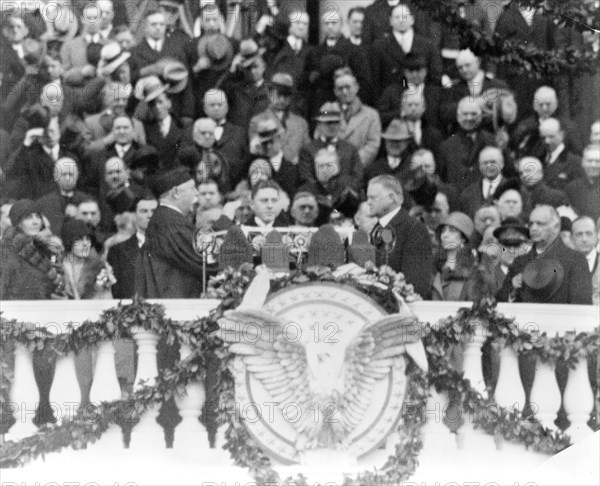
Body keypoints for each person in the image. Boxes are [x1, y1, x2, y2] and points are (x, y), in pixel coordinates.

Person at [497, 205, 592, 304]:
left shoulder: (575, 260)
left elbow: (582, 307)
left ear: (556, 227)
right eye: (531, 224)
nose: (533, 228)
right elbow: (500, 302)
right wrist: (512, 289)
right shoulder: (520, 261)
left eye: (540, 224)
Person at [137, 167, 202, 298]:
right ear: (176, 193)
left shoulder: (165, 219)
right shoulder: (170, 223)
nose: (197, 193)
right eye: (192, 188)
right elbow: (200, 261)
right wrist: (225, 221)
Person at [366, 175, 433, 298]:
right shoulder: (376, 229)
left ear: (391, 198)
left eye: (373, 198)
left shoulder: (414, 229)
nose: (368, 202)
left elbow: (417, 285)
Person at [437, 97, 496, 190]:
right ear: (458, 116)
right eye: (465, 114)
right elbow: (442, 179)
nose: (469, 118)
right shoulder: (446, 146)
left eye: (473, 114)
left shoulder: (492, 141)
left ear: (480, 116)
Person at [108, 195, 158, 299]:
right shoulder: (117, 251)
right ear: (134, 216)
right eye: (144, 211)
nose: (149, 215)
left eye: (153, 211)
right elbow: (116, 291)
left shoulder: (170, 247)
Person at [34, 156, 88, 235]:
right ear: (56, 176)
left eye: (71, 174)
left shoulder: (87, 200)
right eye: (63, 174)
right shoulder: (43, 204)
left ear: (77, 176)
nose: (67, 178)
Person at [432, 212, 475, 301]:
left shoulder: (472, 269)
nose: (445, 235)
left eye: (452, 230)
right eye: (443, 230)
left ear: (463, 238)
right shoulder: (433, 265)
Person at [459, 146, 509, 218]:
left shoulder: (513, 189)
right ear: (479, 166)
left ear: (502, 164)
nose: (489, 166)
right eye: (485, 163)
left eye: (493, 162)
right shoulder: (468, 193)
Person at [539, 118, 584, 191]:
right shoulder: (538, 158)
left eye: (551, 136)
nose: (546, 141)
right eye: (543, 138)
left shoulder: (575, 162)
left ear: (562, 135)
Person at [565, 144, 600, 221]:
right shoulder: (572, 188)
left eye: (598, 161)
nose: (593, 165)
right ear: (583, 163)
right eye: (590, 161)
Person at [571, 216, 599, 305]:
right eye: (579, 234)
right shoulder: (564, 264)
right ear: (572, 238)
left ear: (596, 235)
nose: (584, 239)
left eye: (589, 233)